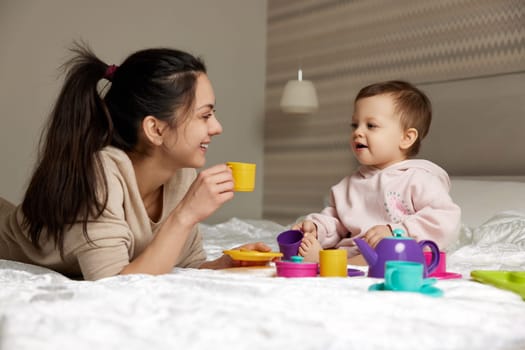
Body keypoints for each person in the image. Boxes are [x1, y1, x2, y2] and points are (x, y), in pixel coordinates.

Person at [0, 42, 270, 280]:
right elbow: (115, 283)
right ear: (155, 129)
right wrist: (185, 215)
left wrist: (226, 263)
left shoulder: (182, 175)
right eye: (204, 115)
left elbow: (185, 263)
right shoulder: (101, 173)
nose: (217, 127)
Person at [293, 80, 461, 263]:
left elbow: (444, 219)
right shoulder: (349, 185)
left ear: (406, 138)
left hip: (397, 253)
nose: (358, 132)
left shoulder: (418, 179)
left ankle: (328, 263)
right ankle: (332, 262)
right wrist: (317, 229)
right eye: (355, 125)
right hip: (353, 252)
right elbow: (336, 221)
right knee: (309, 245)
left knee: (390, 253)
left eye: (371, 125)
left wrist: (396, 232)